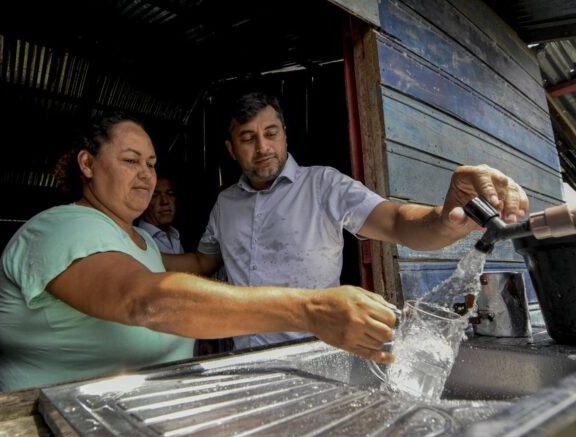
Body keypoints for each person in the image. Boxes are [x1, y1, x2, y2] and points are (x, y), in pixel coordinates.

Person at [0, 112, 400, 391]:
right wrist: (310, 309)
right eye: (131, 161)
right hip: (58, 431)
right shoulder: (60, 228)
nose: (146, 175)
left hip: (138, 421)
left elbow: (200, 264)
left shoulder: (142, 242)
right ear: (88, 164)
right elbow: (145, 299)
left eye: (151, 163)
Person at [163, 92, 529, 350]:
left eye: (271, 134)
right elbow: (203, 262)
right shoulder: (225, 203)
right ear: (230, 149)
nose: (263, 148)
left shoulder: (324, 185)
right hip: (243, 357)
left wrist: (446, 218)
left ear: (285, 134)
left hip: (315, 355)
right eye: (248, 138)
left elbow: (397, 222)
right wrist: (132, 248)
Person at [137, 173, 184, 254]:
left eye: (170, 194)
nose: (165, 201)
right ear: (142, 202)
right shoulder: (137, 239)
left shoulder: (174, 234)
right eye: (154, 196)